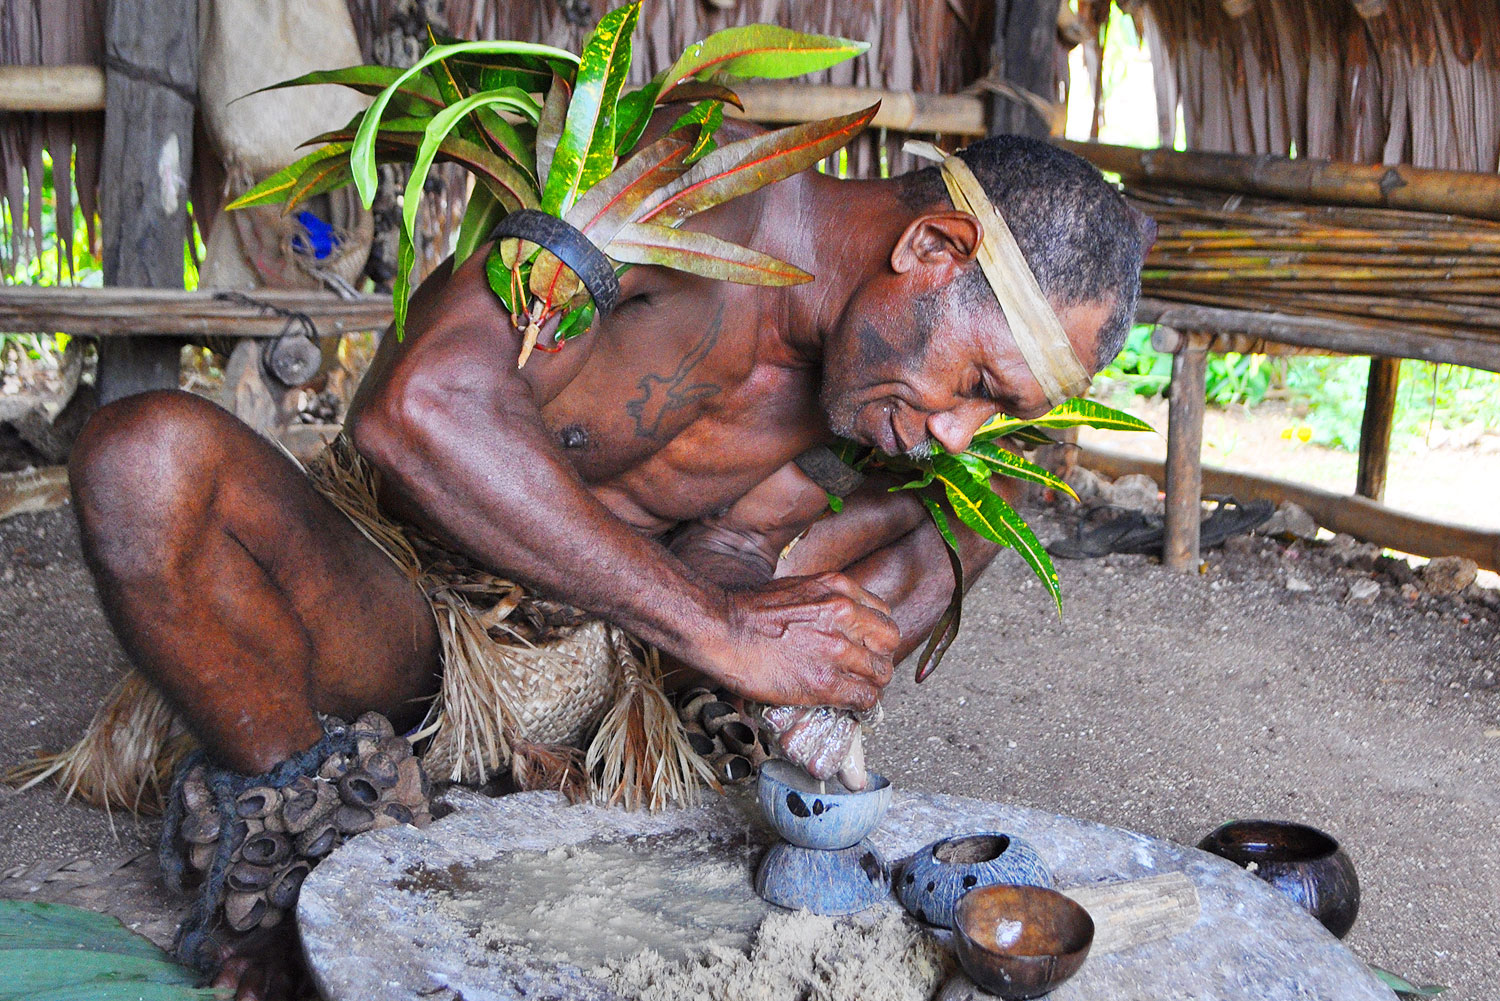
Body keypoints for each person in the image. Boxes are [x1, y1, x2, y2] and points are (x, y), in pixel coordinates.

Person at [58, 130, 1151, 999]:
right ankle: (301, 860)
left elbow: (741, 543)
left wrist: (784, 663)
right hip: (413, 612)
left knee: (987, 502)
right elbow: (421, 409)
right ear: (930, 252)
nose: (963, 426)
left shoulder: (867, 398)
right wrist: (722, 629)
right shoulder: (676, 194)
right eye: (980, 384)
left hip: (634, 675)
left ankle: (757, 756)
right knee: (146, 458)